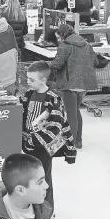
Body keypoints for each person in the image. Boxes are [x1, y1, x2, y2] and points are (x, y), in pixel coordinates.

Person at [21, 61, 76, 206]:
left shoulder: (52, 98)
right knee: (31, 177)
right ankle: (34, 204)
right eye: (27, 79)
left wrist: (34, 140)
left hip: (43, 147)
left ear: (43, 80)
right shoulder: (29, 94)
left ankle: (46, 209)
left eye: (31, 80)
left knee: (43, 179)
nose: (28, 82)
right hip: (29, 145)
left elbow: (56, 126)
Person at [51, 24, 98, 149]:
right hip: (84, 83)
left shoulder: (65, 45)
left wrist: (48, 65)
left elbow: (57, 64)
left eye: (58, 37)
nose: (58, 40)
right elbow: (96, 61)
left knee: (71, 112)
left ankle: (70, 142)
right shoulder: (87, 44)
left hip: (70, 83)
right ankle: (78, 141)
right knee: (76, 111)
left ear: (62, 35)